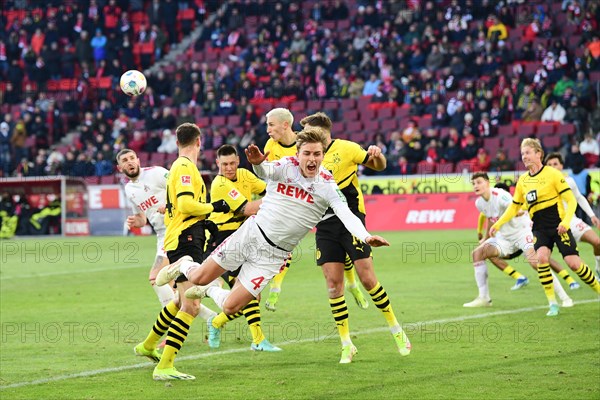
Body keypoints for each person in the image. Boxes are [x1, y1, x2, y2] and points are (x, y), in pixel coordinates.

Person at [155, 128, 398, 370]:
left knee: (230, 306)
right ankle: (183, 264)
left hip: (273, 256)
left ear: (323, 154)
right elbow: (266, 171)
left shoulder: (327, 185)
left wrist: (365, 237)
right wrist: (258, 163)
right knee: (196, 276)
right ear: (298, 153)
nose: (312, 159)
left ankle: (207, 291)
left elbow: (346, 214)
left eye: (317, 154)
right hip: (250, 235)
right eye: (307, 153)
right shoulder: (286, 165)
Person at [299, 112, 411, 363]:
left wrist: (378, 155)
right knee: (332, 285)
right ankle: (346, 343)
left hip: (352, 220)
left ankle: (396, 330)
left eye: (309, 132)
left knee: (369, 279)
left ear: (323, 132)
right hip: (324, 227)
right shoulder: (307, 156)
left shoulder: (347, 148)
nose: (305, 137)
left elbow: (378, 166)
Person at [133, 123, 230, 380]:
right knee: (192, 305)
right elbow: (187, 204)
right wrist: (213, 207)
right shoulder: (185, 167)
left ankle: (148, 345)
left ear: (177, 142)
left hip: (185, 235)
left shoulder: (179, 167)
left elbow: (176, 207)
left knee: (178, 302)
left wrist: (203, 221)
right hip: (185, 240)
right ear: (199, 141)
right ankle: (165, 365)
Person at [262, 108, 367, 311]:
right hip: (292, 202)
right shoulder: (270, 146)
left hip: (318, 200)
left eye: (271, 124)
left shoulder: (309, 145)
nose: (268, 130)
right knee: (284, 243)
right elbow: (269, 174)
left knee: (343, 248)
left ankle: (353, 285)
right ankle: (276, 289)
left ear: (285, 125)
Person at [116, 149, 219, 346]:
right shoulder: (129, 190)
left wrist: (171, 204)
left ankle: (180, 327)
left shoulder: (156, 173)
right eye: (124, 161)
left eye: (131, 158)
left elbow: (179, 189)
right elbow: (142, 217)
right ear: (120, 167)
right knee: (175, 288)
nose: (129, 162)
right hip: (161, 236)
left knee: (156, 278)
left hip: (177, 229)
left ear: (138, 160)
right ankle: (211, 318)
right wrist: (135, 222)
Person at [491, 138, 600, 317]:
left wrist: (565, 223)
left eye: (527, 152)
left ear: (538, 153)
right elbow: (514, 207)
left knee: (574, 264)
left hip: (559, 226)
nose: (524, 156)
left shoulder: (553, 174)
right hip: (539, 229)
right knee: (541, 259)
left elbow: (572, 201)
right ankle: (552, 303)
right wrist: (498, 223)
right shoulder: (523, 181)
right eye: (522, 154)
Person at [203, 144, 281, 352]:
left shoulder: (245, 175)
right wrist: (280, 200)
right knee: (247, 292)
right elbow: (246, 209)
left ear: (238, 161)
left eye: (232, 163)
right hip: (224, 237)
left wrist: (278, 192)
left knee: (252, 293)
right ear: (217, 164)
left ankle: (217, 322)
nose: (228, 168)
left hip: (246, 234)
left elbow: (266, 189)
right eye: (224, 164)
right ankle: (257, 339)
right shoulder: (219, 183)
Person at [466, 173, 573, 308]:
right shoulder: (479, 203)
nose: (476, 185)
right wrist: (485, 239)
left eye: (479, 182)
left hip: (523, 233)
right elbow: (490, 220)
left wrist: (520, 211)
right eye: (474, 183)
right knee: (477, 254)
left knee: (536, 263)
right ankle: (484, 298)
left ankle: (564, 297)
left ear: (487, 183)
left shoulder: (500, 195)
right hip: (504, 238)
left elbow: (515, 207)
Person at [545, 152, 600, 276]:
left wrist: (592, 215)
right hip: (552, 226)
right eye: (549, 165)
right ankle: (568, 280)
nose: (553, 166)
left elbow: (579, 198)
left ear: (561, 166)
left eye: (555, 164)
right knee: (542, 257)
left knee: (597, 242)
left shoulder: (569, 181)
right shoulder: (542, 183)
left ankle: (598, 268)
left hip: (571, 221)